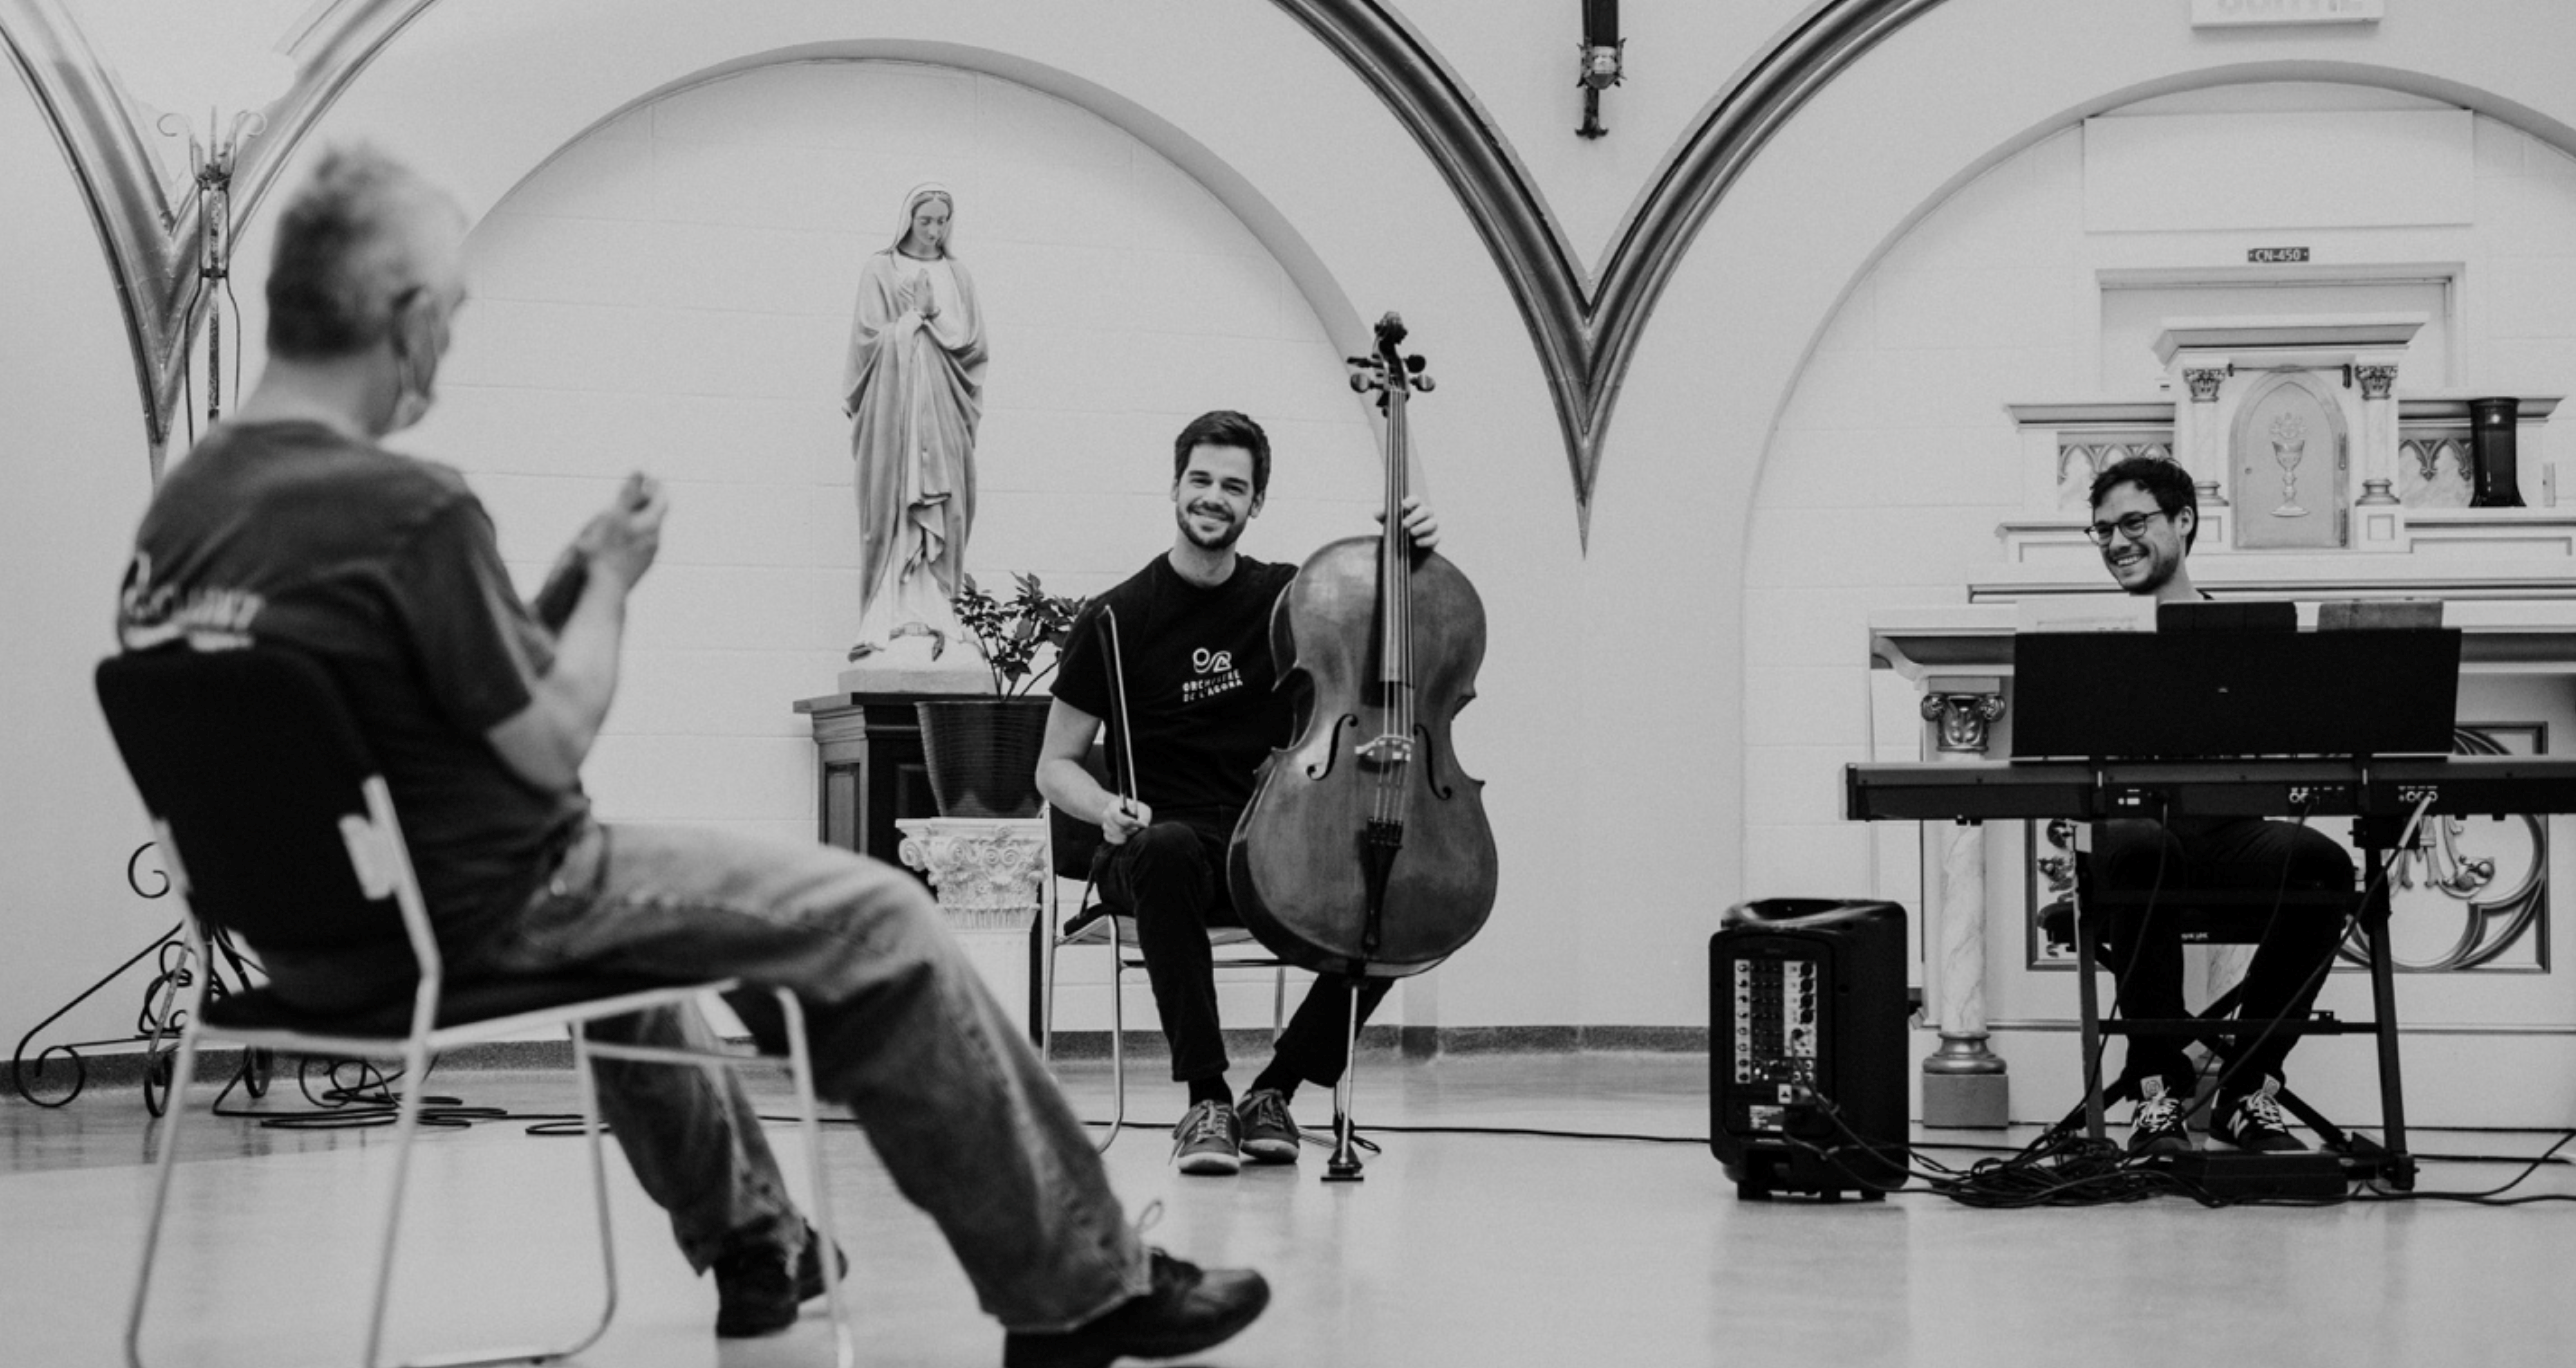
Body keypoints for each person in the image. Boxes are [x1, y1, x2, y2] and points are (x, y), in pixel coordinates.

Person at [114, 146, 1264, 1366]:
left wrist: (553, 587)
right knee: (878, 917)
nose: (443, 352)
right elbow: (549, 747)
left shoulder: (180, 515)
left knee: (655, 959)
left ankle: (759, 1244)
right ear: (397, 316)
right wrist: (609, 582)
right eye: (445, 319)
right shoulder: (404, 508)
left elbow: (387, 717)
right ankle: (1078, 1287)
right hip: (490, 907)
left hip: (303, 940)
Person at [1036, 410, 1438, 1176]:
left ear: (1255, 503)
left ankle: (1273, 1092)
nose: (1213, 497)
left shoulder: (1288, 599)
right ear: (1176, 488)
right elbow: (1054, 765)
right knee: (1168, 848)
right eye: (1201, 480)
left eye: (1233, 486)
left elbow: (1383, 628)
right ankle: (1206, 1100)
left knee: (1399, 888)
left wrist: (1407, 560)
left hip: (1270, 848)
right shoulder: (1115, 619)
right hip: (1154, 852)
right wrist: (1103, 811)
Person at [2083, 455, 2353, 1157]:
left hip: (2231, 833)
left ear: (2183, 521)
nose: (2117, 542)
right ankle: (2154, 1089)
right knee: (2143, 847)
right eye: (2104, 529)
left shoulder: (2243, 635)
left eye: (2133, 523)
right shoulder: (2087, 639)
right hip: (2138, 840)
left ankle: (2248, 1086)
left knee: (2325, 865)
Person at [843, 182, 987, 660]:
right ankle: (895, 611)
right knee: (899, 502)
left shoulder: (957, 275)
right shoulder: (880, 270)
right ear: (908, 219)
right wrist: (912, 320)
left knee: (947, 504)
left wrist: (934, 316)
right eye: (925, 220)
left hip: (943, 407)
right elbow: (868, 341)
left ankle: (939, 607)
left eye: (941, 220)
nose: (933, 230)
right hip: (898, 412)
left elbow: (972, 347)